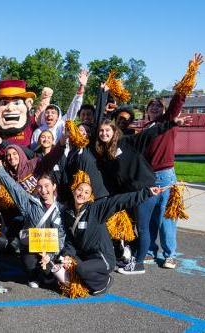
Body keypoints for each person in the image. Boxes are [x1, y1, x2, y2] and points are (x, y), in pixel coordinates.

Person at [121, 53, 202, 273]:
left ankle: (169, 255)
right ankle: (149, 250)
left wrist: (190, 73)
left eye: (159, 105)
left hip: (166, 175)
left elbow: (178, 101)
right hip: (148, 177)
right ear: (147, 110)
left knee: (168, 217)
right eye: (152, 106)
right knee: (150, 217)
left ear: (163, 109)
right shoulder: (145, 128)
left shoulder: (168, 121)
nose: (155, 107)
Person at [60, 174, 161, 295]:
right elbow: (70, 241)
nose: (82, 194)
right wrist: (67, 255)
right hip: (86, 257)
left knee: (81, 270)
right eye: (80, 190)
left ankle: (104, 282)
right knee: (62, 264)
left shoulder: (96, 209)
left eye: (86, 192)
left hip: (103, 258)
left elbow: (119, 201)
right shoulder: (68, 213)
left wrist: (146, 193)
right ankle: (87, 275)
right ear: (74, 191)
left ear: (89, 197)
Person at [0, 159, 65, 289]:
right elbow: (14, 189)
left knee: (49, 278)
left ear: (54, 186)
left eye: (47, 186)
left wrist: (50, 255)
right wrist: (0, 171)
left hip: (51, 251)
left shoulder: (62, 209)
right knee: (30, 265)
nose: (43, 190)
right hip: (32, 247)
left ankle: (45, 272)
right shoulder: (30, 203)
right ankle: (33, 274)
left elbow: (62, 237)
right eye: (40, 187)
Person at [30, 69, 89, 149]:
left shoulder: (62, 125)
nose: (49, 114)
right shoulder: (38, 132)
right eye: (47, 112)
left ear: (58, 116)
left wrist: (81, 86)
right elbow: (33, 150)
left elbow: (74, 107)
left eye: (53, 113)